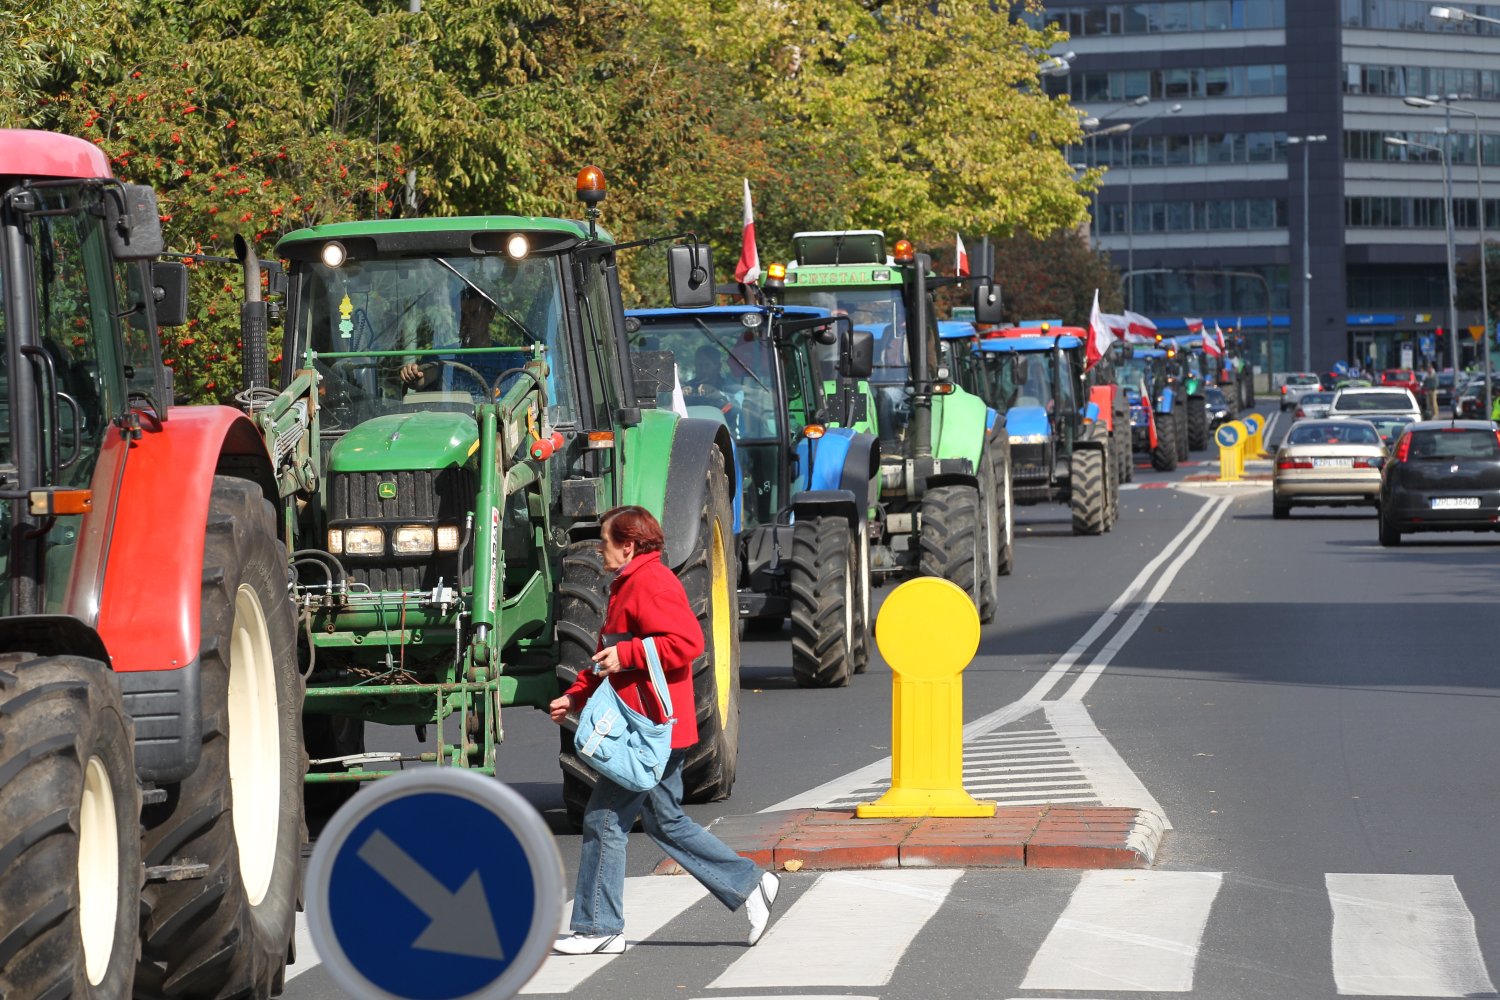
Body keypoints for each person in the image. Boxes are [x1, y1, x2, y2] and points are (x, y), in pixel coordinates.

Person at [549, 506, 780, 955]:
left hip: (648, 732)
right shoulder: (627, 585)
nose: (601, 549)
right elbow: (607, 654)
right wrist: (576, 696)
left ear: (629, 546)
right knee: (664, 820)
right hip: (658, 730)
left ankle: (599, 929)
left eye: (606, 542)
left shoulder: (650, 583)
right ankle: (751, 884)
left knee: (603, 818)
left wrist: (632, 654)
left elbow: (688, 644)